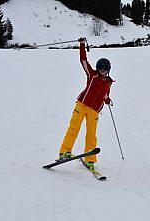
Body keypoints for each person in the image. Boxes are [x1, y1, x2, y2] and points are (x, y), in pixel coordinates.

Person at [58, 37, 114, 170]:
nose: (103, 71)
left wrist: (107, 100)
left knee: (91, 134)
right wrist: (82, 45)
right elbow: (83, 60)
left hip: (94, 111)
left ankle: (90, 159)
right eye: (101, 68)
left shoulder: (108, 82)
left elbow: (105, 94)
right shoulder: (92, 75)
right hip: (82, 105)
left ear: (108, 70)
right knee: (74, 127)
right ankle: (64, 152)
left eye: (105, 69)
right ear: (98, 68)